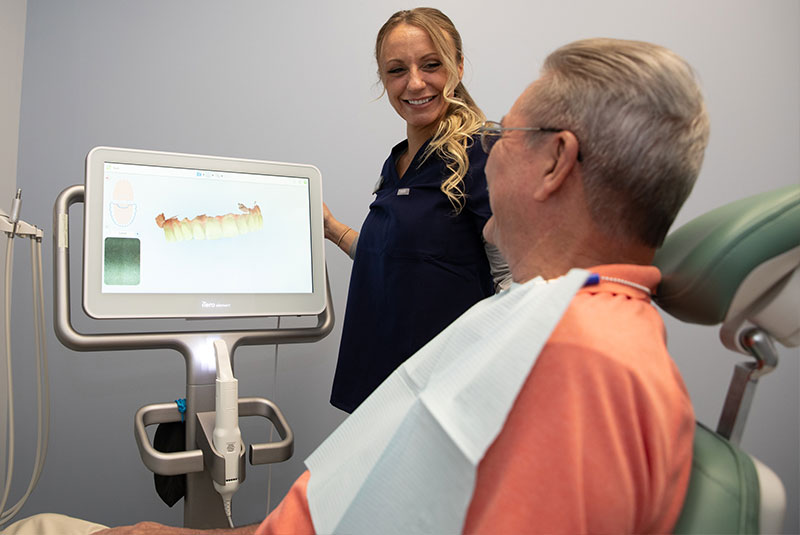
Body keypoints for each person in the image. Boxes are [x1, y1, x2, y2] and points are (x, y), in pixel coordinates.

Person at [9, 36, 709, 534]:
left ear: (556, 161)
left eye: (510, 136)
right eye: (395, 69)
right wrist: (336, 228)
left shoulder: (564, 357)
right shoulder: (578, 328)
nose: (492, 154)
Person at [324, 7, 510, 413]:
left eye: (431, 64)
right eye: (396, 70)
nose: (414, 83)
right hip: (382, 383)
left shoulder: (483, 153)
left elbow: (515, 283)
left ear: (458, 67)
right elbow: (397, 259)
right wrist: (332, 228)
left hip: (443, 397)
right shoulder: (398, 164)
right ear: (383, 79)